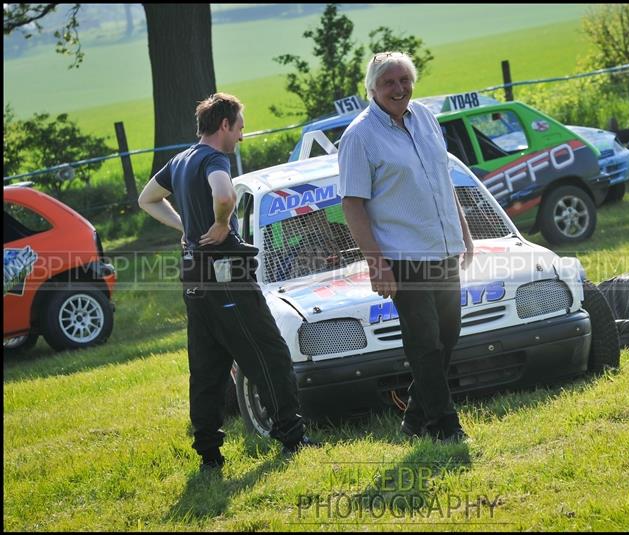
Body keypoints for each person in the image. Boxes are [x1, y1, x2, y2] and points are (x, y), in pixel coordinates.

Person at [138, 92, 317, 470]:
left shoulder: (181, 160)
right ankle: (292, 436)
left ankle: (208, 453)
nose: (241, 137)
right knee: (269, 353)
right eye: (239, 128)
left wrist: (186, 224)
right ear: (224, 125)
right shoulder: (212, 158)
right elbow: (224, 193)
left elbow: (147, 198)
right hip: (227, 278)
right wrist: (220, 225)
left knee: (206, 368)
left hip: (194, 281)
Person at [338, 52, 475, 442]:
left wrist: (463, 232)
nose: (398, 89)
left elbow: (443, 180)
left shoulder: (427, 118)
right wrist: (376, 264)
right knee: (425, 344)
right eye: (389, 83)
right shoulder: (359, 136)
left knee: (448, 336)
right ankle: (445, 425)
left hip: (443, 246)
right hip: (403, 257)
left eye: (404, 80)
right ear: (373, 89)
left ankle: (414, 418)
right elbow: (352, 204)